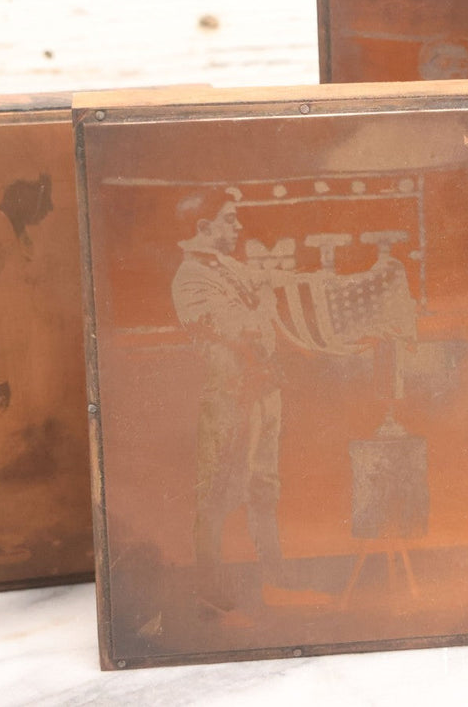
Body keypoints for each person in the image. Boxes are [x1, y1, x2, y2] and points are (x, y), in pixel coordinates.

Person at [171, 188, 327, 618]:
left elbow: (268, 289)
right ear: (204, 227)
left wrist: (283, 294)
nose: (238, 226)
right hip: (228, 399)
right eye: (229, 219)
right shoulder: (191, 278)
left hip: (261, 392)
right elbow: (243, 329)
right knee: (216, 494)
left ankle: (276, 578)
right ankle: (208, 591)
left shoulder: (225, 268)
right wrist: (265, 307)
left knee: (264, 487)